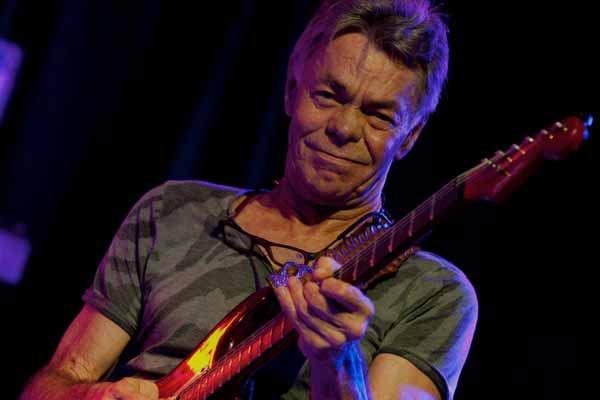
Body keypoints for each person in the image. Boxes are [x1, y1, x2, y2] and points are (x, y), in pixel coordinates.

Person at [21, 0, 477, 399]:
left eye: (378, 116)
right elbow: (52, 384)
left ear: (410, 136)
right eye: (327, 96)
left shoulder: (434, 293)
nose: (343, 128)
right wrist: (98, 396)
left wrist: (338, 362)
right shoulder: (172, 210)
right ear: (291, 91)